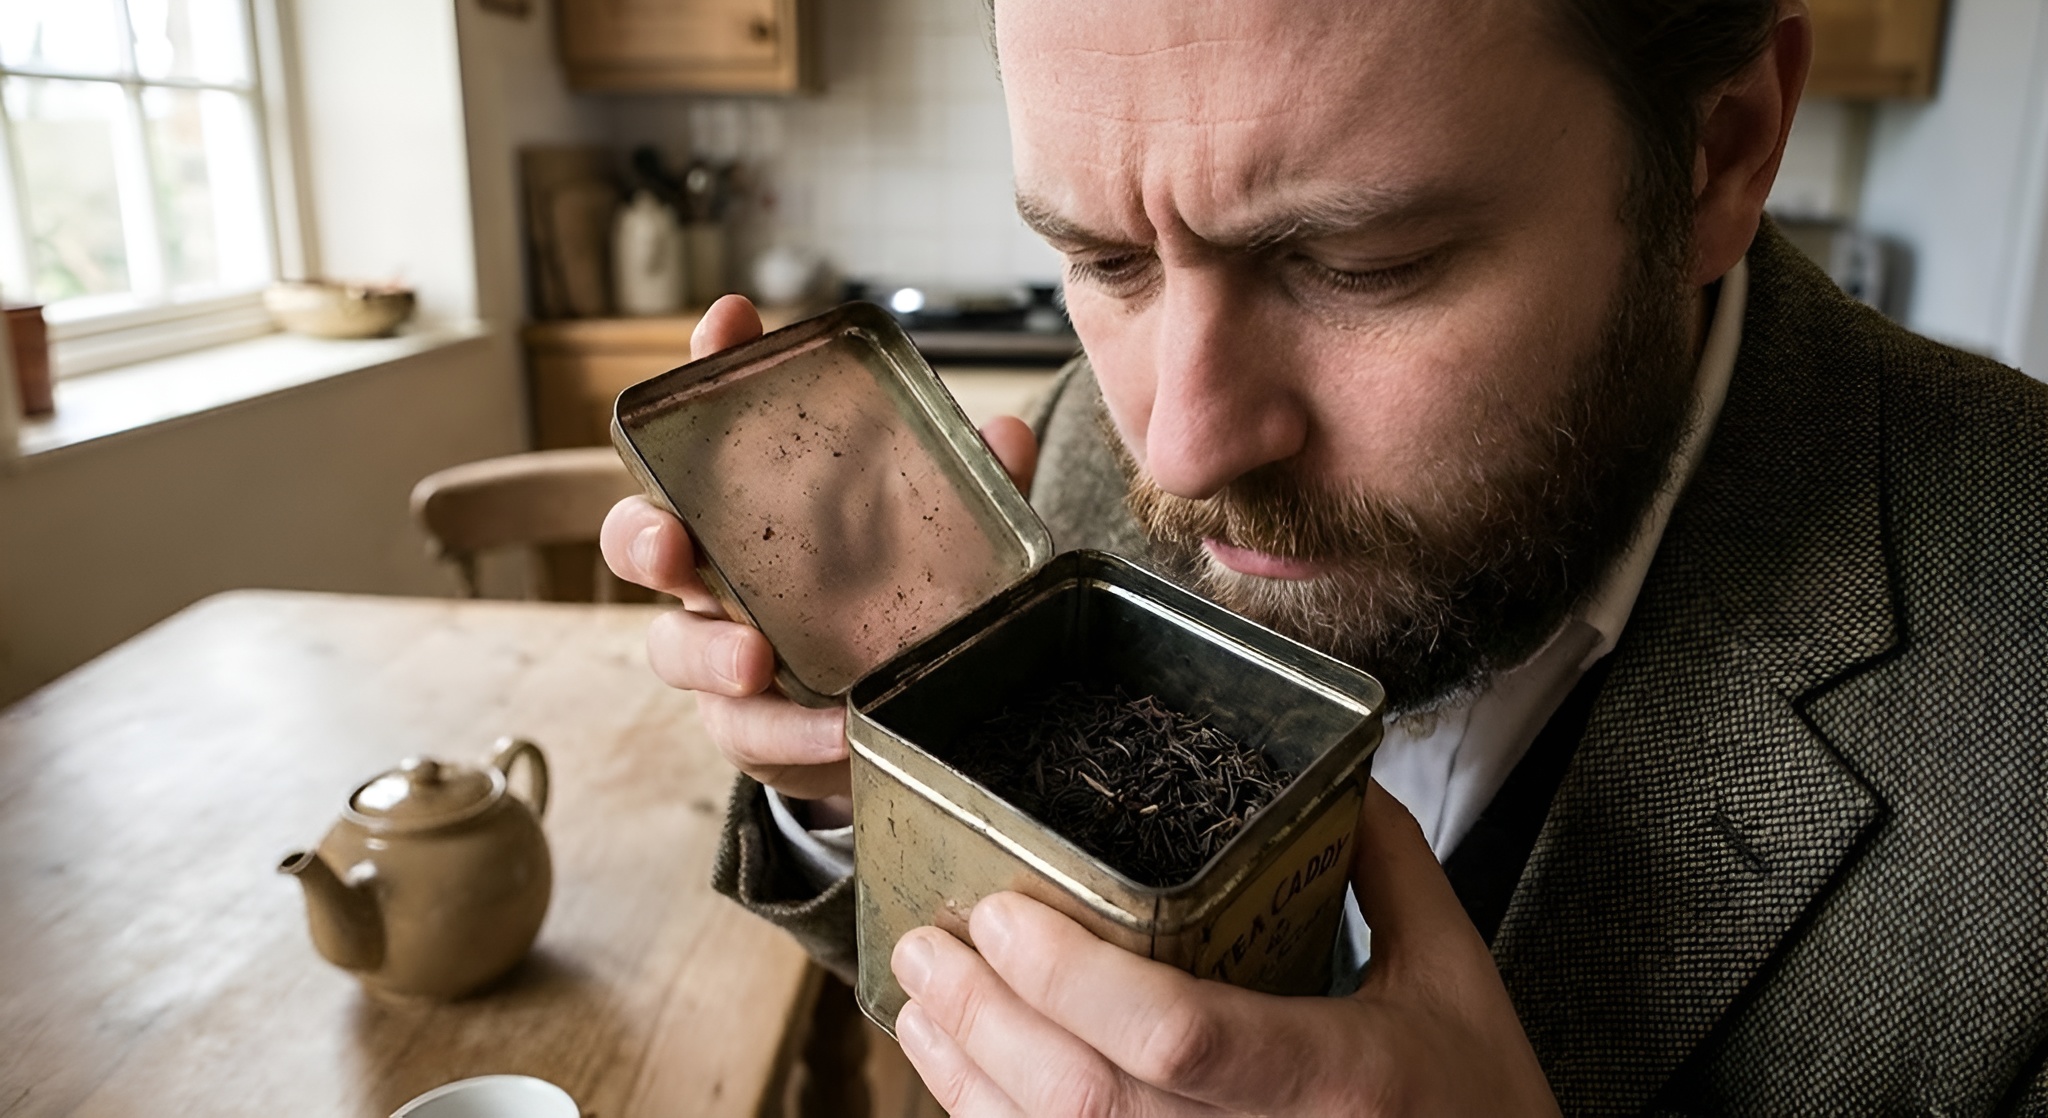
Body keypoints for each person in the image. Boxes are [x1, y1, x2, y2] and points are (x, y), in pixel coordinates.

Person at [600, 0, 2048, 1111]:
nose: (1176, 450)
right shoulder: (1080, 453)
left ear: (1721, 155)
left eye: (1360, 266)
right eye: (1105, 263)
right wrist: (862, 789)